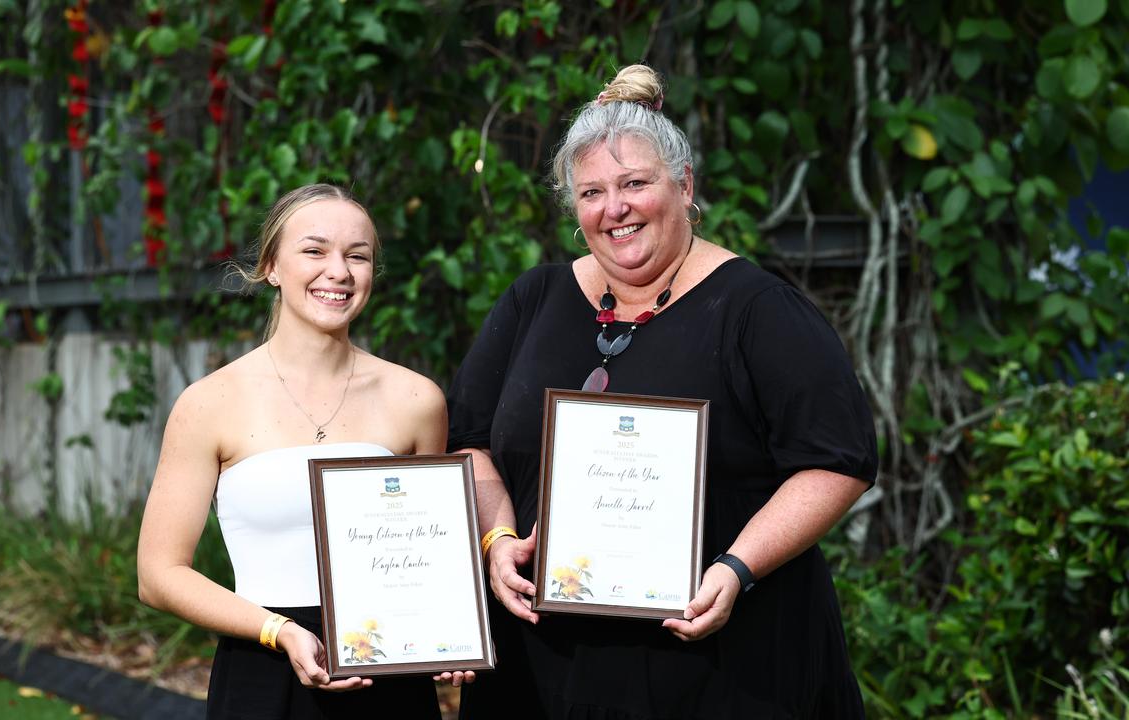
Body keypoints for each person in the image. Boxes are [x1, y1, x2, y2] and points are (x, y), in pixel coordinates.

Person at [448, 65, 878, 718]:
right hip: (547, 671)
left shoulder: (758, 310)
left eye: (634, 184)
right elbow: (471, 440)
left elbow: (837, 460)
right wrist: (497, 539)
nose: (613, 208)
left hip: (723, 666)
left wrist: (737, 567)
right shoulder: (534, 299)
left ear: (684, 186)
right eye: (591, 192)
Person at [137, 183, 471, 719]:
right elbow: (158, 574)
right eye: (314, 251)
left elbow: (432, 559)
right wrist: (280, 630)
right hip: (262, 674)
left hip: (387, 683)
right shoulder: (209, 403)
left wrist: (447, 635)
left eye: (357, 256)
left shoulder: (416, 400)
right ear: (271, 265)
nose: (337, 271)